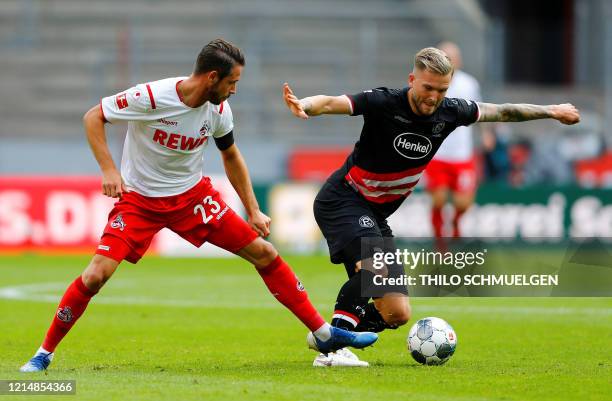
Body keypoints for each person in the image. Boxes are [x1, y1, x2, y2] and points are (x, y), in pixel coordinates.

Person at [19, 38, 377, 372]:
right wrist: (109, 169)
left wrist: (252, 209)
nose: (234, 89)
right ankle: (43, 354)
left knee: (264, 253)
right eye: (232, 81)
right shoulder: (151, 97)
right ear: (211, 77)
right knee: (96, 275)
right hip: (140, 202)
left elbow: (231, 155)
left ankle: (325, 335)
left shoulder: (219, 109)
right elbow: (93, 117)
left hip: (193, 199)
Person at [283, 47, 580, 367]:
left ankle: (330, 333)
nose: (433, 97)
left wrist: (551, 110)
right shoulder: (384, 102)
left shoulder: (450, 112)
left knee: (396, 312)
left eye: (442, 90)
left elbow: (504, 111)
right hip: (344, 198)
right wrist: (306, 105)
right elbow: (332, 102)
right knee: (374, 270)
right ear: (412, 80)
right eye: (427, 87)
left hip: (376, 213)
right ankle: (336, 348)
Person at [425, 42, 489, 239]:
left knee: (464, 202)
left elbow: (480, 111)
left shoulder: (469, 84)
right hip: (437, 153)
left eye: (452, 58)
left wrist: (486, 133)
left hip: (462, 153)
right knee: (439, 199)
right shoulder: (429, 83)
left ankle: (454, 223)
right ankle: (440, 242)